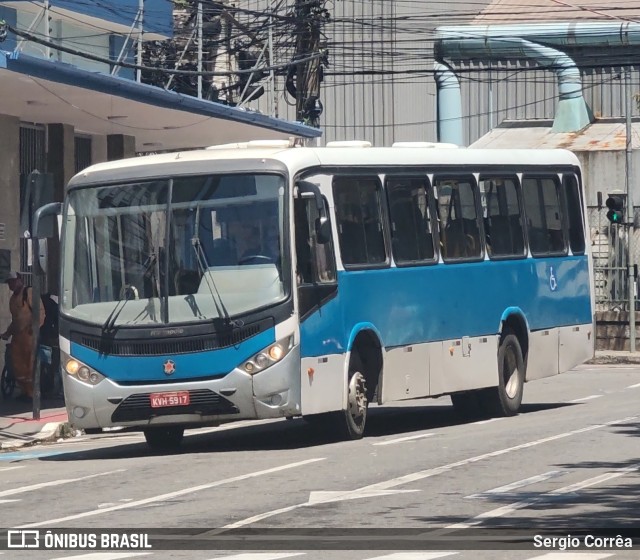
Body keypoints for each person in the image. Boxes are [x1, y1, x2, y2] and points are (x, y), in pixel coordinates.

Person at [1, 272, 44, 399]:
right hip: (18, 338)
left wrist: (34, 327)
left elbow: (40, 312)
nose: (11, 284)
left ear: (20, 280)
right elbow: (15, 320)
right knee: (18, 365)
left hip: (30, 335)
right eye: (9, 282)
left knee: (29, 364)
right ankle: (25, 391)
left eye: (13, 281)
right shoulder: (13, 299)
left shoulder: (29, 293)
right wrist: (7, 333)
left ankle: (32, 393)